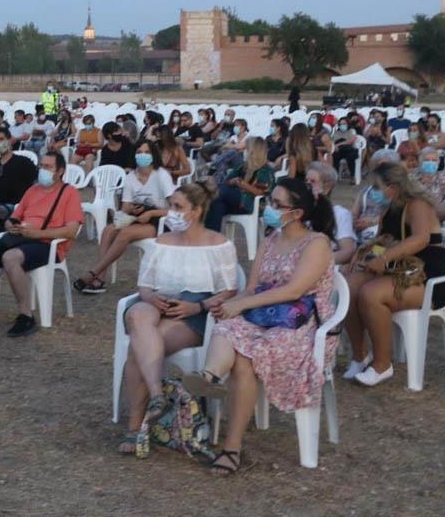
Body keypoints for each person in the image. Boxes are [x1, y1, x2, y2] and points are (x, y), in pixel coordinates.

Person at [182, 177, 336, 475]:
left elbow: (294, 291)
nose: (270, 209)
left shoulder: (316, 244)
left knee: (247, 358)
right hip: (263, 316)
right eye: (270, 202)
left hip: (300, 326)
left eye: (278, 205)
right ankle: (209, 378)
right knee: (227, 328)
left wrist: (241, 305)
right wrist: (228, 304)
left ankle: (231, 447)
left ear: (298, 212)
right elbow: (252, 289)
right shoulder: (270, 241)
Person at [116, 183, 239, 455]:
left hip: (194, 308)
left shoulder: (219, 244)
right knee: (137, 314)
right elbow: (144, 286)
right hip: (157, 302)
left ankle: (136, 426)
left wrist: (197, 307)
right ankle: (158, 395)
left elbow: (229, 290)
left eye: (177, 207)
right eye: (171, 206)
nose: (171, 213)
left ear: (196, 211)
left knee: (139, 348)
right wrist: (151, 299)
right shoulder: (161, 242)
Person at [341, 162, 445, 386]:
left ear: (392, 187)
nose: (372, 192)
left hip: (428, 277)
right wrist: (367, 256)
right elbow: (386, 241)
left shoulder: (417, 205)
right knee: (350, 286)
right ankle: (360, 356)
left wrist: (383, 259)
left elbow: (420, 238)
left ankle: (383, 364)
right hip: (400, 270)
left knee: (371, 294)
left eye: (376, 186)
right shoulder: (389, 208)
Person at [0, 151, 84, 337]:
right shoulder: (32, 191)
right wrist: (11, 224)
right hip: (20, 238)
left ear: (60, 171)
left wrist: (38, 233)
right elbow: (15, 216)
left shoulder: (70, 193)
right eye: (41, 166)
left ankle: (26, 315)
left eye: (48, 167)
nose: (43, 170)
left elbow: (71, 231)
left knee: (10, 258)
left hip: (48, 245)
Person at [75, 139, 175, 295]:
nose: (143, 155)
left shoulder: (161, 175)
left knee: (125, 233)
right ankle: (99, 277)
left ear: (154, 155)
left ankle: (93, 273)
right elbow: (125, 207)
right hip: (138, 217)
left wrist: (152, 212)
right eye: (139, 152)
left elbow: (176, 208)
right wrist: (127, 212)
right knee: (108, 230)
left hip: (160, 219)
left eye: (147, 152)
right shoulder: (130, 177)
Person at [204, 136, 274, 232]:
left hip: (251, 204)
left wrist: (245, 185)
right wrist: (233, 181)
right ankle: (211, 239)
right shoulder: (243, 166)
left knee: (218, 194)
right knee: (217, 204)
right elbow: (227, 181)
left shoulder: (266, 171)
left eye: (247, 149)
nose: (244, 151)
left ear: (254, 151)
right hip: (235, 201)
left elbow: (263, 193)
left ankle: (205, 195)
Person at [305, 162, 356, 264]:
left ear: (327, 188)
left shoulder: (339, 214)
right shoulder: (299, 211)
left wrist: (317, 263)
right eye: (306, 181)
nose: (307, 185)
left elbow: (347, 251)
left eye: (312, 181)